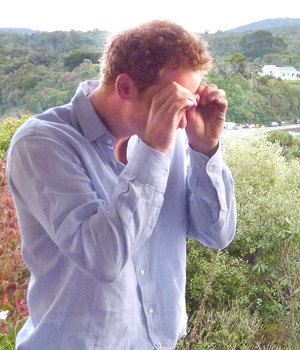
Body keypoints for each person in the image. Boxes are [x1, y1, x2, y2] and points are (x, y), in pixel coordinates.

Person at [6, 20, 237, 349]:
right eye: (172, 102)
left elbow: (217, 234)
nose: (182, 118)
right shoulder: (42, 143)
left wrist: (205, 149)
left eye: (189, 103)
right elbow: (103, 257)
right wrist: (154, 151)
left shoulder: (171, 138)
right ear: (125, 87)